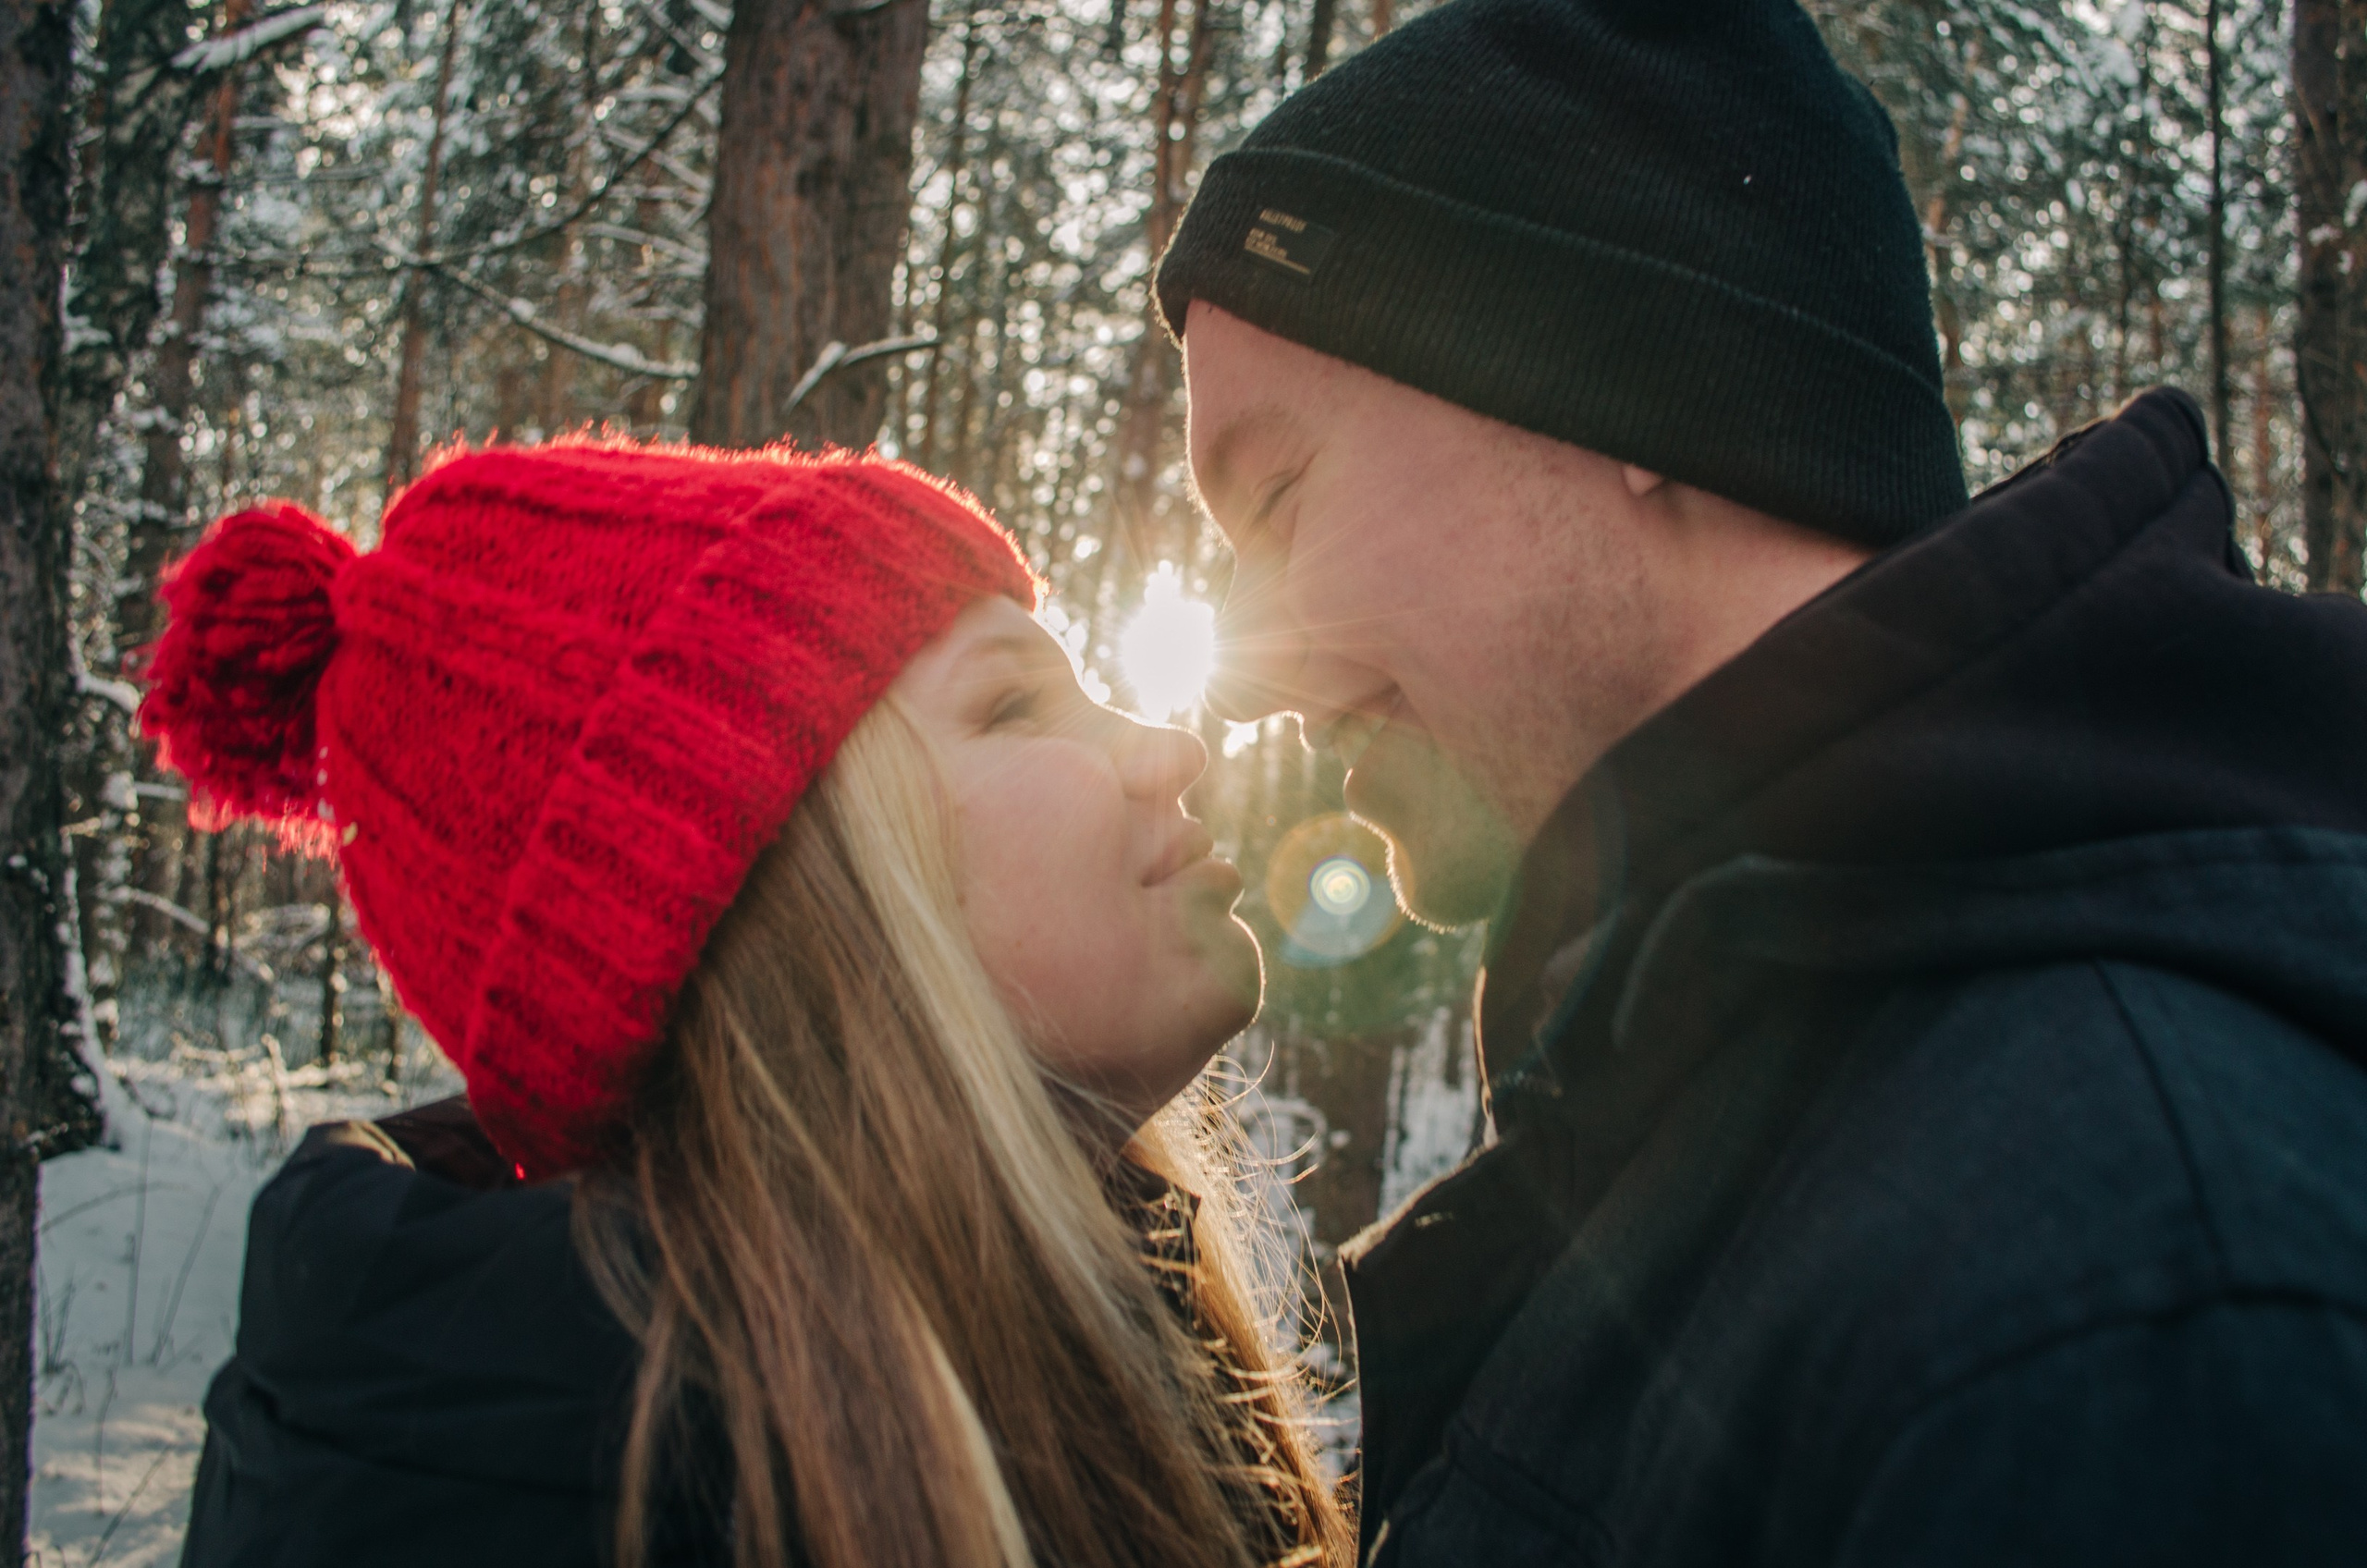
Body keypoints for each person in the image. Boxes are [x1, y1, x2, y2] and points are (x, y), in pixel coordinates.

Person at [1155, 0, 2367, 1563]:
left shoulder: (2115, 1301)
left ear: (1619, 366)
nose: (1246, 681)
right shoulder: (1736, 1109)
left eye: (1277, 499)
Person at [140, 444, 1353, 1568]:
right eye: (1011, 706)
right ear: (783, 916)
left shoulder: (1084, 1339)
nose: (1173, 752)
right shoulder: (589, 1513)